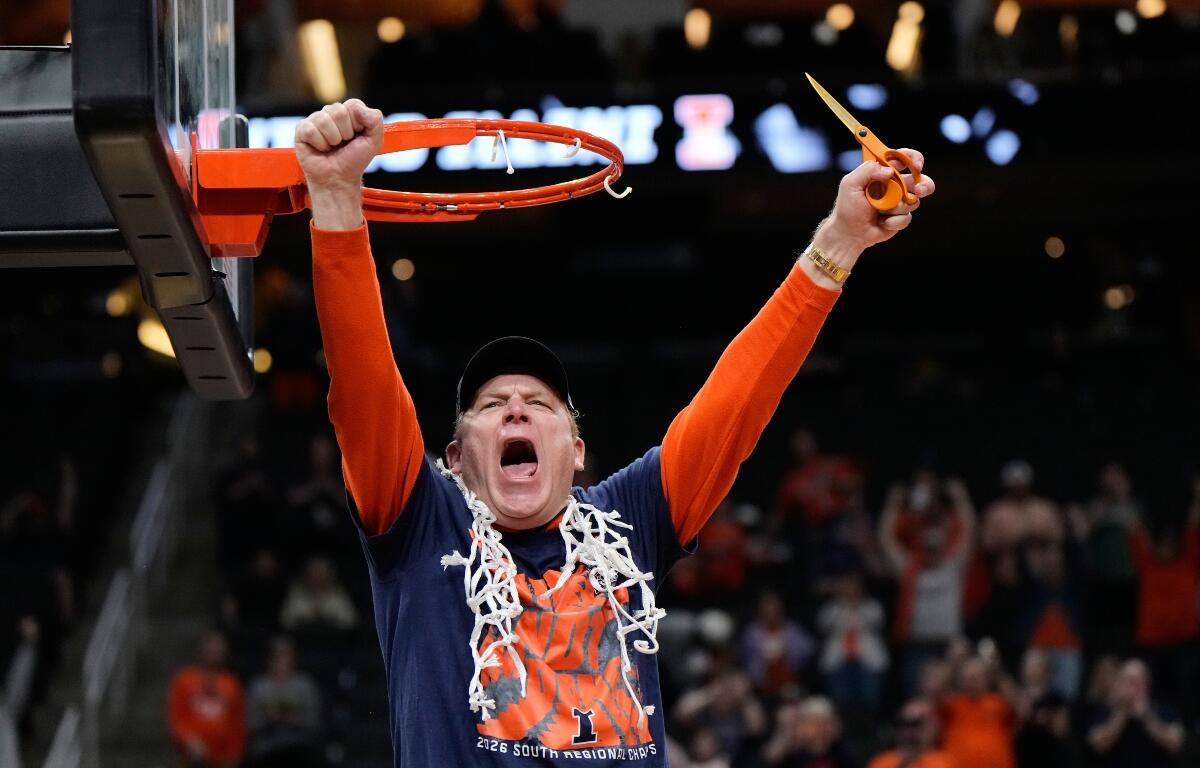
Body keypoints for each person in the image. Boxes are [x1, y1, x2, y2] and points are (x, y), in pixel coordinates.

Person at [296, 98, 935, 766]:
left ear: (576, 454)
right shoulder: (424, 519)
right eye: (491, 405)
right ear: (454, 458)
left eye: (540, 403)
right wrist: (338, 199)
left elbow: (736, 404)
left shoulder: (626, 520)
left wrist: (839, 240)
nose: (515, 407)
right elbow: (363, 389)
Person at [166, 630, 246, 768]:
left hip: (222, 760)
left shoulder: (232, 684)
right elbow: (175, 720)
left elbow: (237, 723)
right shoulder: (184, 680)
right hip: (190, 758)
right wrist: (187, 740)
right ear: (201, 650)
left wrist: (235, 754)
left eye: (218, 650)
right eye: (210, 649)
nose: (214, 653)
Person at [1086, 659, 1184, 768]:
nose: (1132, 687)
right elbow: (1097, 745)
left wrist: (1146, 716)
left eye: (1137, 682)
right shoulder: (1106, 711)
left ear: (1147, 684)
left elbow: (1175, 744)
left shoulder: (1163, 710)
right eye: (1128, 681)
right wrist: (1122, 713)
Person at [245, 637, 323, 768]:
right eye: (277, 657)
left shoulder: (305, 685)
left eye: (286, 656)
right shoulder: (258, 686)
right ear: (269, 660)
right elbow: (250, 725)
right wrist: (271, 719)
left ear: (294, 659)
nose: (282, 662)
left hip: (300, 748)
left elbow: (315, 722)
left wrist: (293, 720)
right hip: (266, 749)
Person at [866, 699, 953, 768]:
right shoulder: (881, 763)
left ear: (933, 727)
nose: (910, 732)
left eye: (917, 724)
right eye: (904, 724)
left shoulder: (944, 763)